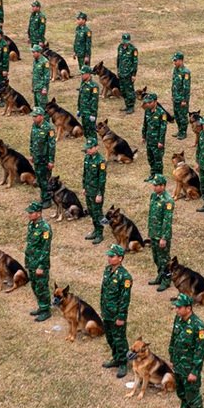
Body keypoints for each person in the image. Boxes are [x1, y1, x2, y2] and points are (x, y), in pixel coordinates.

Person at [167, 292, 204, 408]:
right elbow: (173, 339)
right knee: (181, 393)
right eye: (176, 307)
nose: (177, 310)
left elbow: (200, 351)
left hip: (190, 368)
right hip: (178, 365)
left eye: (179, 307)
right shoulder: (178, 320)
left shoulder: (199, 326)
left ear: (188, 308)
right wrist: (171, 357)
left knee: (192, 395)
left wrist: (194, 372)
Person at [99, 245, 133, 377]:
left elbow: (125, 299)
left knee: (119, 339)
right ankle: (116, 358)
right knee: (110, 337)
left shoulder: (125, 277)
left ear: (120, 258)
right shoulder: (107, 270)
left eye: (112, 256)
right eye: (109, 256)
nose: (109, 258)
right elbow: (104, 291)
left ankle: (123, 362)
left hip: (117, 314)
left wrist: (121, 317)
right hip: (107, 311)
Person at [25, 202, 54, 320]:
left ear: (39, 213)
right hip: (31, 261)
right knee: (34, 285)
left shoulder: (45, 228)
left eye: (31, 213)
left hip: (40, 263)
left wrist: (41, 266)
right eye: (29, 212)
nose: (29, 215)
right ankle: (41, 307)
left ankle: (46, 310)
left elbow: (45, 249)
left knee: (41, 287)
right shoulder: (31, 225)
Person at [146, 174, 174, 288]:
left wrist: (164, 237)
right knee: (156, 257)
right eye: (154, 185)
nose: (154, 187)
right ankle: (160, 275)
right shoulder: (153, 196)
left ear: (163, 186)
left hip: (161, 235)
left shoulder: (168, 201)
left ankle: (166, 280)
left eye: (157, 185)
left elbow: (167, 221)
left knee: (164, 259)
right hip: (153, 233)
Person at [82, 137, 108, 243]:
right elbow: (85, 174)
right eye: (87, 148)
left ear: (96, 147)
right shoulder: (87, 158)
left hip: (96, 192)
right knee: (92, 212)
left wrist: (99, 194)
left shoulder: (100, 161)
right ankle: (95, 230)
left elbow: (102, 180)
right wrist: (84, 187)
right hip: (88, 190)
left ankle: (100, 233)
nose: (88, 150)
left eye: (90, 148)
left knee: (98, 213)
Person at [141, 91, 168, 179]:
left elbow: (163, 129)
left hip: (157, 141)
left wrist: (161, 141)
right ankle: (153, 174)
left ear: (155, 102)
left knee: (158, 160)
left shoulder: (161, 113)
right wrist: (143, 135)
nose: (148, 104)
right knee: (150, 158)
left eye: (150, 102)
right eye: (147, 102)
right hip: (149, 140)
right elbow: (145, 124)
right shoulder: (147, 111)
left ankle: (159, 177)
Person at [169, 53, 192, 139]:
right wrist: (173, 95)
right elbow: (174, 83)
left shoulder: (186, 72)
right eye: (174, 60)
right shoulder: (175, 69)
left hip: (182, 99)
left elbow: (186, 87)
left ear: (181, 60)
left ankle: (183, 132)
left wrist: (184, 100)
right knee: (177, 115)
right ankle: (179, 130)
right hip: (176, 97)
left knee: (182, 116)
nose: (174, 62)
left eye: (176, 60)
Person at [116, 33, 139, 113]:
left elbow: (135, 62)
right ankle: (127, 105)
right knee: (123, 90)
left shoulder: (133, 49)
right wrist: (118, 70)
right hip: (121, 73)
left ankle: (131, 106)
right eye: (124, 41)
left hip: (129, 74)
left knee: (129, 90)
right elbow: (118, 59)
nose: (125, 43)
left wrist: (134, 75)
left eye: (127, 41)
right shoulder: (120, 47)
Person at [76, 69, 101, 140]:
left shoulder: (94, 86)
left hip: (89, 112)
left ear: (88, 74)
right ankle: (89, 145)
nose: (82, 76)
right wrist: (79, 109)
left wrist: (93, 114)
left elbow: (95, 101)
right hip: (83, 111)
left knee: (91, 131)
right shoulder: (83, 84)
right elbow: (80, 97)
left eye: (83, 74)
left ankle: (94, 146)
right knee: (86, 130)